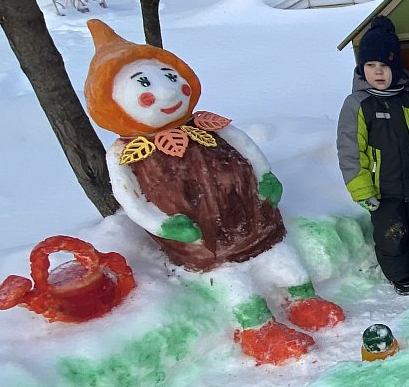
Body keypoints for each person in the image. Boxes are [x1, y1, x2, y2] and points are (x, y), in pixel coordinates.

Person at [84, 19, 345, 366]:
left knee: (283, 262)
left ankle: (302, 299)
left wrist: (265, 177)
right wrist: (162, 225)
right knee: (232, 282)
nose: (168, 93)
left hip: (255, 222)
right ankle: (256, 328)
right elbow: (130, 197)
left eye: (170, 77)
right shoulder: (125, 153)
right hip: (202, 242)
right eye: (144, 84)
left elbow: (248, 149)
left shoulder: (208, 125)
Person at [336, 15, 409, 296]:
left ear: (395, 67)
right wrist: (362, 189)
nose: (378, 72)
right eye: (370, 66)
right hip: (383, 190)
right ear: (361, 68)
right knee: (392, 235)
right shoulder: (358, 104)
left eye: (384, 66)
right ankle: (400, 276)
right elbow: (350, 150)